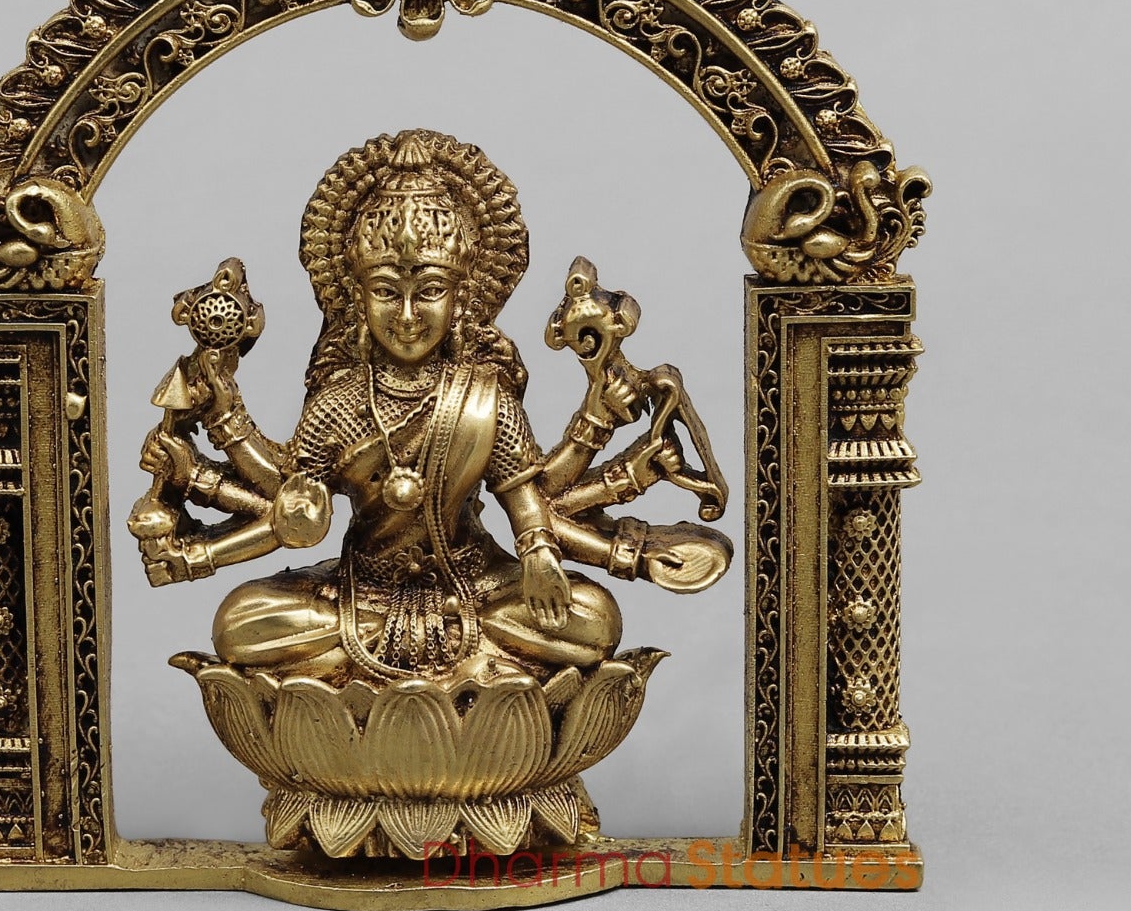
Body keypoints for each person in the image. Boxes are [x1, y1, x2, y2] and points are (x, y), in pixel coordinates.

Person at [130, 129, 730, 683]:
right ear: (357, 298)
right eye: (386, 292)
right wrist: (218, 428)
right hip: (357, 594)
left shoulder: (484, 395)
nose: (408, 315)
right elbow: (286, 503)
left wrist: (539, 554)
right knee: (239, 620)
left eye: (431, 292)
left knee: (594, 617)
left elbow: (526, 497)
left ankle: (408, 683)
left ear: (462, 298)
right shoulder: (340, 402)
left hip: (476, 588)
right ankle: (476, 682)